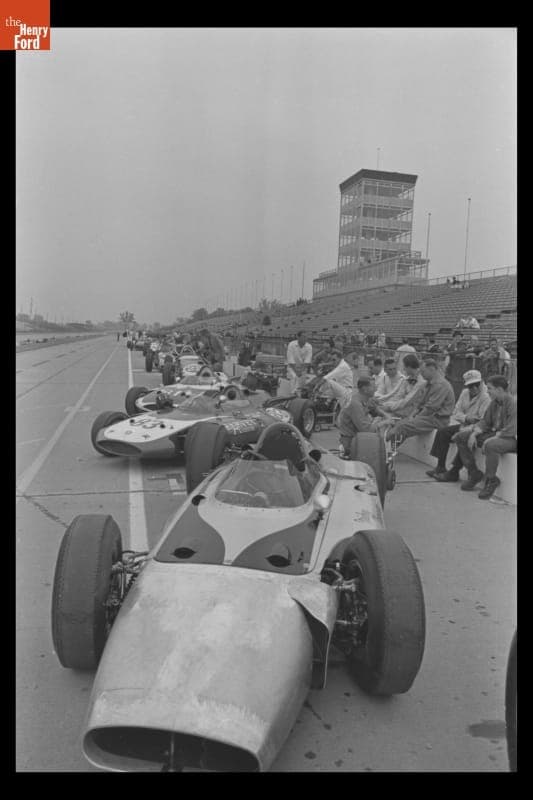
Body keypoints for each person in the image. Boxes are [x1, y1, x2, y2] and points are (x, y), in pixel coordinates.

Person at [445, 375, 517, 499]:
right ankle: (474, 473)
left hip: (510, 438)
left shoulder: (512, 403)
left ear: (499, 389)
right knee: (461, 437)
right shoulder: (494, 403)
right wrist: (474, 433)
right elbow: (485, 422)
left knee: (491, 445)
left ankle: (491, 479)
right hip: (495, 434)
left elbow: (511, 429)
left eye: (490, 388)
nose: (487, 391)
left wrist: (491, 438)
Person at [426, 370, 491, 479]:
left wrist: (467, 420)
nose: (474, 388)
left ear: (481, 382)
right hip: (465, 423)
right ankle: (440, 466)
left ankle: (454, 471)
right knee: (442, 431)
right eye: (471, 385)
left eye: (476, 385)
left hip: (477, 427)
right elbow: (456, 412)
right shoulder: (465, 393)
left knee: (461, 437)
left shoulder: (486, 396)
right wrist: (466, 417)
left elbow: (482, 419)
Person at [385, 359, 455, 443]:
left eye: (423, 371)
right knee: (400, 424)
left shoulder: (441, 385)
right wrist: (411, 417)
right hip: (429, 418)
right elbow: (419, 405)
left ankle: (383, 445)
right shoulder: (427, 384)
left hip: (438, 420)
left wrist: (414, 419)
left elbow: (430, 409)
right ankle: (389, 449)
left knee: (403, 426)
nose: (421, 374)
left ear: (431, 369)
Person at [337, 377, 391, 454]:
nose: (376, 388)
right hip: (351, 441)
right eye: (373, 386)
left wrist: (385, 415)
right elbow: (366, 430)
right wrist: (385, 422)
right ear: (365, 389)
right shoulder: (355, 404)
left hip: (358, 437)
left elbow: (374, 409)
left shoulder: (365, 398)